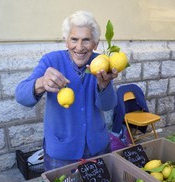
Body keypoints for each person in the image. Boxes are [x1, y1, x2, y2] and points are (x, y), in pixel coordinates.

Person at [15, 11, 118, 171]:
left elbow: (108, 105)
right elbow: (21, 96)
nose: (79, 47)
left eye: (86, 40)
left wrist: (104, 85)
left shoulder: (101, 63)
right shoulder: (51, 61)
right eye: (74, 40)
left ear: (95, 43)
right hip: (61, 152)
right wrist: (41, 83)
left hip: (98, 148)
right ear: (66, 41)